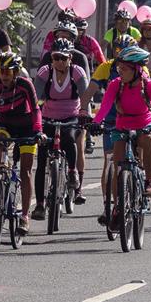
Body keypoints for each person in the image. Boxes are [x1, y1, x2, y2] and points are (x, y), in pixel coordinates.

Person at [93, 47, 151, 203]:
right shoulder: (115, 84)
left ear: (137, 70)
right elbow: (104, 107)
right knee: (116, 165)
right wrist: (95, 123)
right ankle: (116, 207)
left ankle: (149, 181)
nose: (120, 72)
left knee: (150, 141)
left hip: (144, 124)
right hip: (122, 125)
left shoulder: (149, 85)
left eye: (124, 69)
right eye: (119, 68)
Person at [0, 53, 41, 239]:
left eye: (8, 71)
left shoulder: (25, 85)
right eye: (1, 71)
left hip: (27, 128)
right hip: (6, 125)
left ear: (15, 72)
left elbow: (36, 108)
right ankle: (1, 173)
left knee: (25, 171)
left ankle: (24, 216)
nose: (4, 75)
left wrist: (38, 129)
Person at [31, 43, 90, 218]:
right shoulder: (45, 72)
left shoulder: (77, 72)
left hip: (71, 116)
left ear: (70, 58)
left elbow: (85, 97)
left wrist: (85, 113)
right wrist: (34, 116)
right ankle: (40, 205)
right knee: (42, 157)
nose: (59, 62)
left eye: (63, 58)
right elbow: (35, 98)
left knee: (69, 140)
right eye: (56, 57)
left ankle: (72, 172)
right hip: (48, 117)